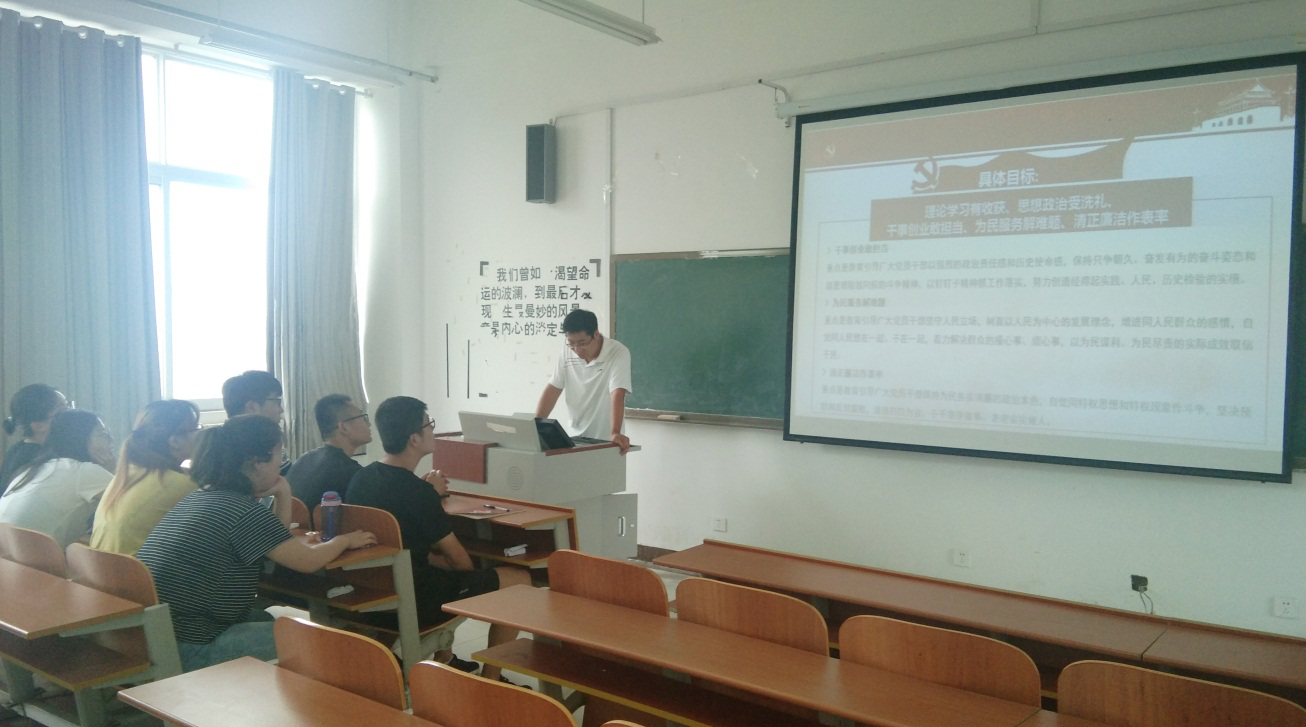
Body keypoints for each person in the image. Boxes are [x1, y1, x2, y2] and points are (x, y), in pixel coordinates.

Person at [137, 414, 376, 672]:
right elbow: (307, 561)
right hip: (194, 645)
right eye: (278, 455)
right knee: (321, 641)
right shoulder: (242, 512)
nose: (280, 463)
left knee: (266, 618)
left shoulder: (202, 498)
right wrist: (343, 540)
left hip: (154, 637)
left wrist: (283, 493)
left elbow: (276, 540)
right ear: (258, 463)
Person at [346, 396, 532, 681]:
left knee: (440, 566)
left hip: (371, 595)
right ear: (414, 439)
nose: (433, 429)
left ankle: (441, 658)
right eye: (429, 424)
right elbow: (460, 562)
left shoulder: (362, 477)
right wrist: (479, 573)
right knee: (519, 580)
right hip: (414, 600)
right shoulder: (418, 493)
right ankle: (491, 680)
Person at [90, 400, 203, 555]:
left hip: (105, 567)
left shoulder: (131, 472)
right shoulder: (183, 485)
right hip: (138, 569)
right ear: (175, 441)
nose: (202, 434)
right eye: (197, 428)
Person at [0, 410, 114, 547]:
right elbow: (130, 504)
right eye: (103, 434)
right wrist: (113, 470)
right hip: (31, 555)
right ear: (79, 438)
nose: (111, 440)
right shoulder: (83, 471)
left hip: (9, 554)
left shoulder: (34, 468)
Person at [535, 309, 633, 454]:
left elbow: (618, 393)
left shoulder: (618, 352)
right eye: (571, 343)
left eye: (582, 343)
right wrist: (536, 425)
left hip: (607, 441)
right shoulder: (566, 352)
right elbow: (553, 389)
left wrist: (615, 432)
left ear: (596, 334)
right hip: (575, 440)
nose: (577, 349)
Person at [286, 395, 372, 520]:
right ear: (344, 427)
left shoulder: (303, 460)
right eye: (363, 417)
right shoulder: (352, 474)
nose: (369, 424)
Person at [1, 384, 69, 490]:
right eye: (62, 412)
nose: (72, 415)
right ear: (38, 426)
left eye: (68, 406)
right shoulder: (34, 458)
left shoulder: (19, 449)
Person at [222, 370, 291, 473]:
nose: (281, 410)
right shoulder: (242, 456)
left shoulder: (217, 444)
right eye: (277, 402)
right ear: (252, 407)